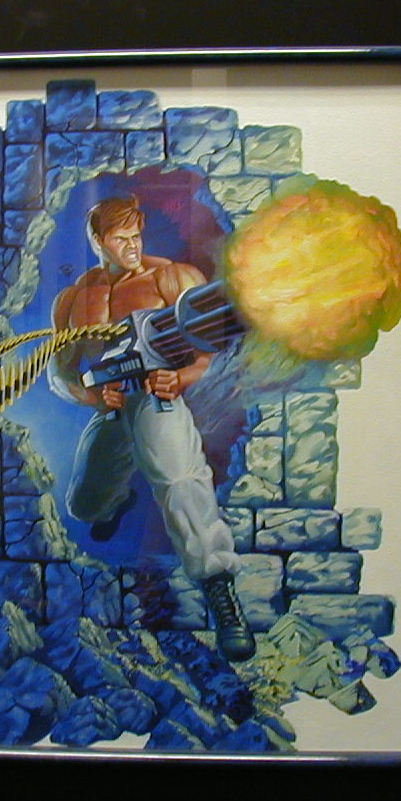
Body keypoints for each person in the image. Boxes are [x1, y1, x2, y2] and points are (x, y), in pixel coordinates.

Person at [47, 195, 255, 661]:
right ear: (98, 241)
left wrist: (179, 378)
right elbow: (59, 373)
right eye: (121, 239)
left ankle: (219, 589)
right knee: (85, 504)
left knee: (181, 481)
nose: (133, 246)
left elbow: (210, 352)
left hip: (157, 397)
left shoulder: (172, 278)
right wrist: (91, 396)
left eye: (137, 236)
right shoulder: (74, 300)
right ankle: (116, 501)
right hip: (112, 403)